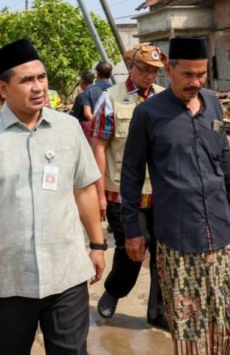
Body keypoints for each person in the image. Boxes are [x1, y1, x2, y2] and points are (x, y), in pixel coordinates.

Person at [0, 38, 106, 355]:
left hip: (66, 274)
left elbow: (84, 189)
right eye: (26, 80)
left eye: (41, 77)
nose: (38, 87)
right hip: (7, 279)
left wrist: (98, 244)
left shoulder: (68, 128)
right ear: (3, 88)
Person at [120, 37, 230, 354]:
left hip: (222, 229)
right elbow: (131, 174)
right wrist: (132, 230)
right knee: (191, 326)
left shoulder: (213, 104)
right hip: (179, 238)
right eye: (188, 75)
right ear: (169, 70)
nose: (196, 82)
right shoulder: (148, 114)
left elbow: (224, 159)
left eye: (202, 74)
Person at [89, 44, 168, 330]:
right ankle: (114, 290)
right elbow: (99, 146)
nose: (149, 76)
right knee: (131, 250)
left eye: (155, 72)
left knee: (163, 253)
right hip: (121, 193)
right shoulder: (110, 99)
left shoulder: (165, 99)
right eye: (144, 70)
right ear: (131, 68)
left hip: (160, 193)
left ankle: (157, 311)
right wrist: (98, 194)